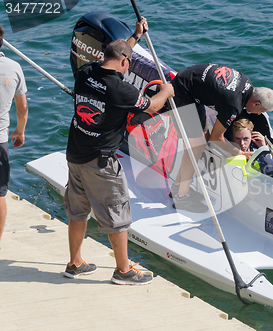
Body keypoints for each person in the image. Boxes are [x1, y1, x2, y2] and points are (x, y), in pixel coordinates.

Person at [63, 17, 174, 284]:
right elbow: (150, 106)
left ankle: (75, 263)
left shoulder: (86, 72)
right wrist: (167, 91)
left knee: (77, 212)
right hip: (99, 163)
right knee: (118, 216)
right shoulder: (121, 90)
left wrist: (135, 36)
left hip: (75, 154)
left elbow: (120, 52)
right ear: (125, 62)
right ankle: (123, 271)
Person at [168, 63, 273, 213]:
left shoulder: (247, 83)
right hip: (183, 92)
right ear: (257, 103)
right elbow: (216, 138)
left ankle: (178, 187)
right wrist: (240, 153)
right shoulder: (234, 104)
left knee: (200, 142)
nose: (259, 114)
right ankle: (180, 197)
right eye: (261, 111)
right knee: (197, 146)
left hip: (192, 85)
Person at [0, 24, 29, 242]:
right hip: (0, 140)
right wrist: (20, 131)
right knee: (0, 194)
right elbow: (22, 107)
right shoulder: (13, 67)